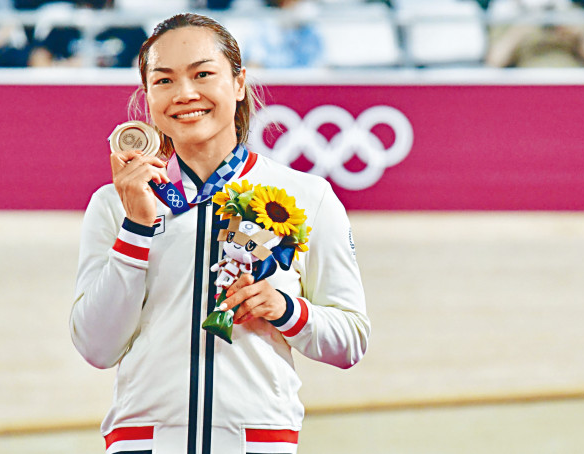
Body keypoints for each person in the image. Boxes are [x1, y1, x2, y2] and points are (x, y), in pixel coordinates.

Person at [69, 12, 369, 454]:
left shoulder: (307, 196)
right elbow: (96, 346)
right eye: (164, 80)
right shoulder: (114, 203)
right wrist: (135, 227)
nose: (185, 94)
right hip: (143, 443)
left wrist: (286, 309)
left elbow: (351, 340)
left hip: (256, 442)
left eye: (203, 74)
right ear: (147, 95)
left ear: (240, 82)